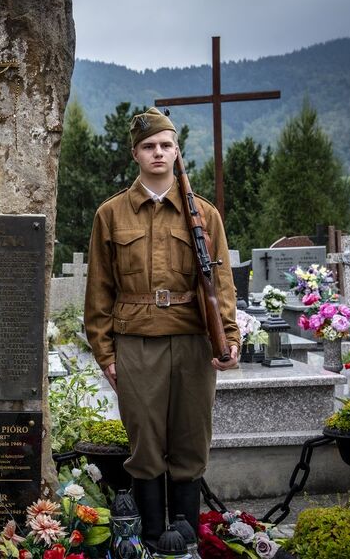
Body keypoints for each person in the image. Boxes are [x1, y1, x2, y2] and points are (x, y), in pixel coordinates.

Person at [84, 107, 240, 546]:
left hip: (193, 342)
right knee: (146, 447)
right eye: (149, 146)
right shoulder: (111, 214)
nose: (158, 152)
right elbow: (99, 292)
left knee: (191, 441)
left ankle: (186, 541)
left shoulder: (204, 215)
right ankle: (152, 539)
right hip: (136, 344)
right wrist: (106, 354)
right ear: (135, 153)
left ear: (176, 152)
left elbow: (220, 284)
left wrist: (229, 338)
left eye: (166, 145)